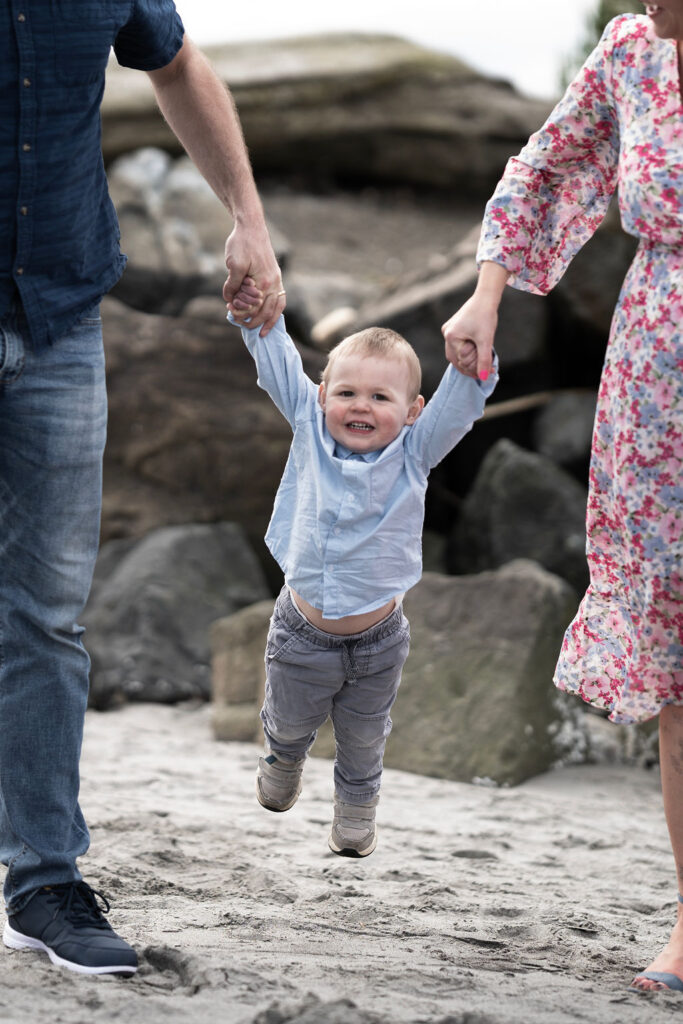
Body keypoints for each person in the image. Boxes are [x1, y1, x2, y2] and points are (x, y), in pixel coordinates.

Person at [0, 1, 283, 976]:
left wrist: (247, 219)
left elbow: (176, 62)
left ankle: (43, 881)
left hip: (60, 316)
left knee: (46, 614)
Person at [441, 2, 683, 994]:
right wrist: (486, 292)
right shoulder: (630, 52)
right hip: (657, 383)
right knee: (673, 653)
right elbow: (545, 168)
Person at [228, 281, 497, 858]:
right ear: (322, 395)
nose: (361, 406)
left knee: (364, 738)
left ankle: (355, 812)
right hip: (302, 636)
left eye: (380, 397)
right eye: (347, 392)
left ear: (412, 411)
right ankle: (283, 756)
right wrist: (258, 318)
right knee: (290, 722)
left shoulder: (416, 452)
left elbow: (460, 404)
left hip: (379, 643)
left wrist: (472, 361)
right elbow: (277, 364)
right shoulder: (308, 425)